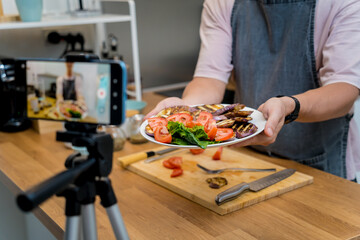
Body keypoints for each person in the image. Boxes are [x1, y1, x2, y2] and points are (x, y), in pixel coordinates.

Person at [146, 0, 360, 180]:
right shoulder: (222, 2)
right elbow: (209, 77)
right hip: (249, 159)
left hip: (321, 167)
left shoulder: (343, 3)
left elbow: (344, 90)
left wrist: (288, 106)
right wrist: (186, 111)